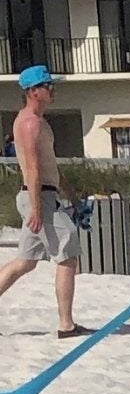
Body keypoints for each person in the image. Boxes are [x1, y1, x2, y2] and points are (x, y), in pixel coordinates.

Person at [0, 66, 87, 339]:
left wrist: (73, 197)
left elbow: (51, 168)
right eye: (48, 85)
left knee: (25, 262)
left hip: (44, 195)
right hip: (38, 197)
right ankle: (66, 324)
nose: (53, 89)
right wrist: (37, 209)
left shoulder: (41, 122)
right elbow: (34, 169)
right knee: (67, 254)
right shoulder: (29, 123)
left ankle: (66, 323)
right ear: (33, 91)